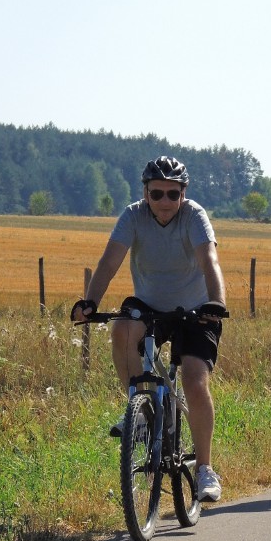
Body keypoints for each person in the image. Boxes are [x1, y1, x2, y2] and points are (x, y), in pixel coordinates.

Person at [71, 155, 227, 502]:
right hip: (150, 305)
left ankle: (204, 470)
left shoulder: (194, 216)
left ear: (183, 195)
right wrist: (90, 302)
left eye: (173, 194)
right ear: (145, 192)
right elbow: (110, 260)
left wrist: (215, 302)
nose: (165, 202)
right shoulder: (132, 215)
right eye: (157, 194)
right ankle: (139, 411)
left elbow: (209, 260)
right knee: (123, 329)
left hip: (195, 309)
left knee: (193, 381)